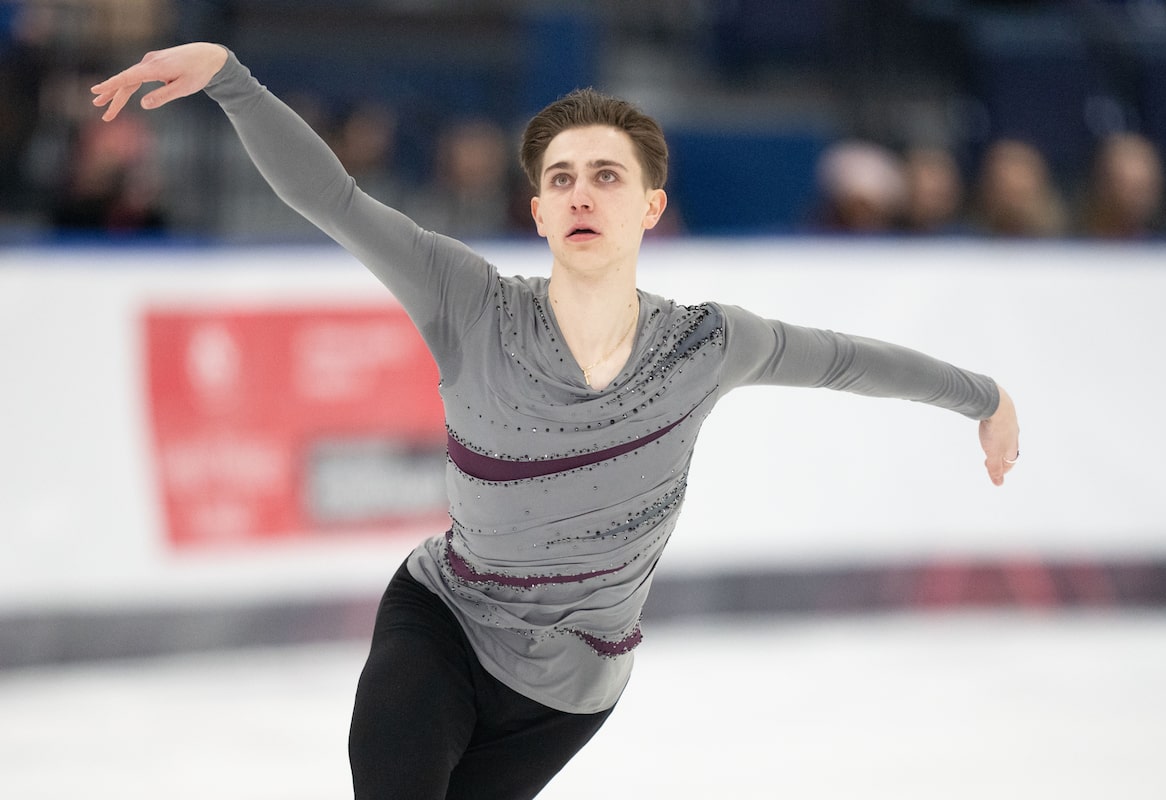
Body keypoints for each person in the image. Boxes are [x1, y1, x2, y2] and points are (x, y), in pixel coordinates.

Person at [92, 43, 1021, 800]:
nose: (582, 193)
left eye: (607, 176)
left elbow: (846, 360)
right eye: (563, 178)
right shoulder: (469, 303)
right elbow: (335, 202)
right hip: (443, 624)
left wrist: (983, 396)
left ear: (650, 207)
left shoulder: (707, 345)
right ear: (537, 211)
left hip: (570, 696)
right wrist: (230, 78)